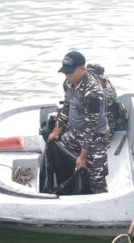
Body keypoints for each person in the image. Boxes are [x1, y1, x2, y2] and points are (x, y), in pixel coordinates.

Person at [47, 51, 110, 194]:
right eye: (65, 73)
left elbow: (90, 128)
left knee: (97, 177)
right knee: (64, 148)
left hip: (95, 138)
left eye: (70, 73)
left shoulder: (93, 93)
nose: (67, 77)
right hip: (75, 133)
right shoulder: (69, 83)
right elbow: (67, 106)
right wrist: (57, 130)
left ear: (82, 69)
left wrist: (83, 156)